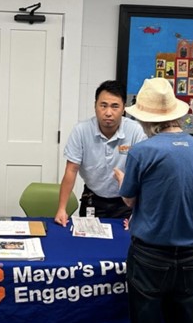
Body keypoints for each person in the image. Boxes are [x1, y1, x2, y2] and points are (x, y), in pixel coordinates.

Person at [114, 77, 193, 323]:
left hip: (150, 256)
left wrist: (121, 181)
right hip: (192, 255)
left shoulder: (142, 151)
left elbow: (129, 202)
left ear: (146, 119)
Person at [54, 80, 147, 226]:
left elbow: (144, 173)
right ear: (95, 106)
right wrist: (61, 209)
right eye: (103, 106)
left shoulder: (136, 131)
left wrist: (138, 214)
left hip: (126, 202)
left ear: (124, 109)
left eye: (115, 106)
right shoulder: (81, 130)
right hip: (93, 198)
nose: (108, 112)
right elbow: (71, 170)